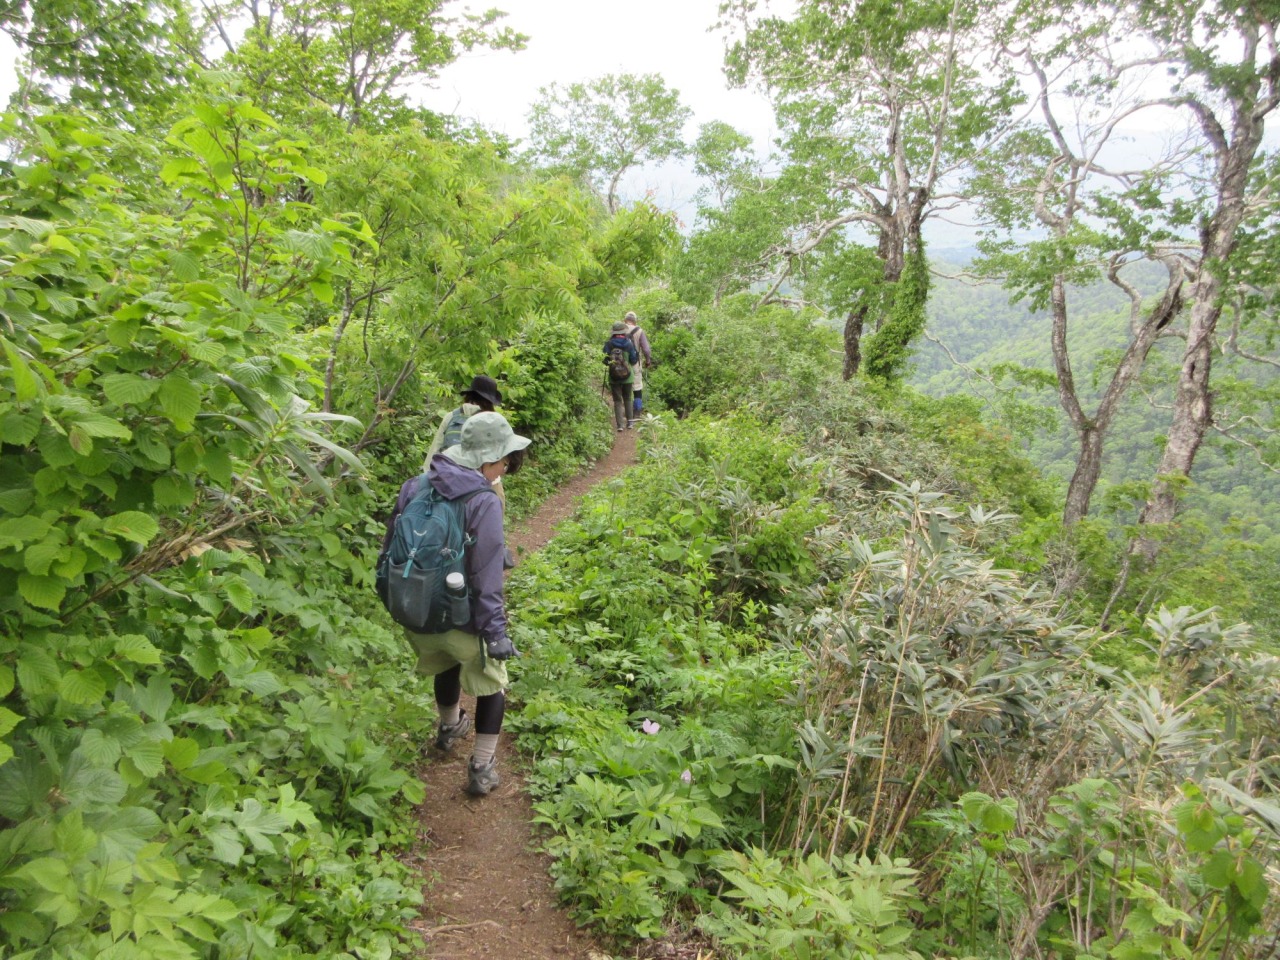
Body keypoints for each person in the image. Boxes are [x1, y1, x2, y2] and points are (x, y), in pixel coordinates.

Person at [384, 411, 530, 796]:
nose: (504, 468)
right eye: (502, 460)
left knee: (446, 662)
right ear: (487, 459)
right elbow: (486, 576)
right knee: (492, 684)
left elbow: (389, 552)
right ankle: (481, 768)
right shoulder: (482, 501)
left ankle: (449, 726)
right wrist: (495, 633)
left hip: (417, 612)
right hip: (460, 615)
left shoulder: (415, 485)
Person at [424, 374, 506, 506]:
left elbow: (434, 451)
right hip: (483, 485)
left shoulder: (450, 417)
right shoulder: (493, 419)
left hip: (448, 483)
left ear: (469, 395)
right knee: (497, 506)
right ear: (490, 400)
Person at [603, 320, 640, 432]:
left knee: (618, 401)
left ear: (613, 332)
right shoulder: (629, 343)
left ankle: (620, 425)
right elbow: (633, 361)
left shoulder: (609, 344)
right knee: (628, 398)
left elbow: (605, 361)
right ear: (624, 331)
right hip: (628, 377)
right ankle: (630, 423)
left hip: (614, 377)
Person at [622, 311, 652, 421]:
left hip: (620, 363)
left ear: (625, 320)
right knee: (637, 386)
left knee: (624, 386)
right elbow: (646, 349)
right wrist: (648, 360)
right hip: (634, 363)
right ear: (635, 321)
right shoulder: (639, 331)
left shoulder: (619, 329)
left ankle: (626, 412)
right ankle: (637, 412)